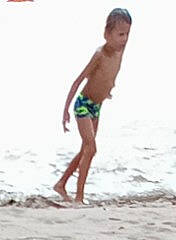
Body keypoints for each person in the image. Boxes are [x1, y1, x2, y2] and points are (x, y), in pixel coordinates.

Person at [54, 7, 132, 204]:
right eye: (120, 34)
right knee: (91, 148)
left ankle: (61, 183)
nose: (124, 39)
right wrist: (65, 111)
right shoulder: (100, 54)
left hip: (97, 107)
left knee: (85, 150)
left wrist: (108, 88)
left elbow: (108, 75)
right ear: (107, 34)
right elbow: (78, 81)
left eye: (127, 34)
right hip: (83, 105)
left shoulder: (120, 51)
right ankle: (79, 198)